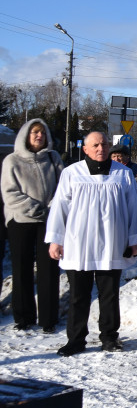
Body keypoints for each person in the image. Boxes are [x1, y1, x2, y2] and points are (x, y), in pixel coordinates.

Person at [45, 131, 137, 356]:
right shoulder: (71, 173)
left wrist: (136, 240)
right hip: (78, 243)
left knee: (109, 294)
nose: (100, 148)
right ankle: (75, 339)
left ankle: (109, 337)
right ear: (85, 149)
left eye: (104, 144)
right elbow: (60, 208)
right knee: (78, 295)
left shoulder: (122, 174)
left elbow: (134, 207)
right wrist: (56, 239)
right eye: (95, 145)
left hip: (112, 243)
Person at [2, 119, 63, 332]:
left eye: (42, 133)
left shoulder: (53, 158)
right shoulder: (12, 161)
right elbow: (10, 193)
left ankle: (48, 319)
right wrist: (35, 208)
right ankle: (23, 317)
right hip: (20, 220)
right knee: (22, 269)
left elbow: (62, 189)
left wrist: (52, 208)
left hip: (48, 221)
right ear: (25, 136)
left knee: (49, 269)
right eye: (34, 133)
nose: (39, 136)